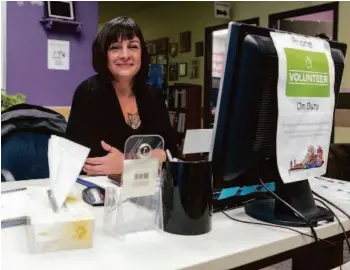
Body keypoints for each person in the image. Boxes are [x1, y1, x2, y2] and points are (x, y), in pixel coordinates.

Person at [65, 17, 177, 176]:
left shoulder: (154, 96)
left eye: (133, 46)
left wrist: (127, 163)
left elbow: (170, 153)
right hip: (101, 192)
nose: (125, 55)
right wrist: (151, 158)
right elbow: (90, 163)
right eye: (115, 48)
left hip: (150, 192)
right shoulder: (88, 93)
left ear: (142, 53)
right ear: (104, 55)